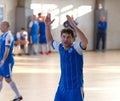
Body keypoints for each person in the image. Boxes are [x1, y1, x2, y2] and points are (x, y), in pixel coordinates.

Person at [45, 13, 88, 101]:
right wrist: (47, 26)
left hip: (75, 89)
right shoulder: (60, 46)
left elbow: (85, 42)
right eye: (64, 37)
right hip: (62, 87)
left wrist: (74, 26)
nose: (65, 39)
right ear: (61, 37)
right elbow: (50, 40)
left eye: (68, 37)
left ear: (73, 39)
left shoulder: (77, 48)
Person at [0, 21, 23, 101]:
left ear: (5, 26)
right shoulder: (3, 35)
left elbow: (7, 49)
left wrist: (3, 60)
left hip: (7, 61)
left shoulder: (9, 36)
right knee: (0, 78)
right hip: (2, 60)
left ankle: (18, 95)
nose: (0, 27)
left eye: (1, 26)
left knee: (8, 79)